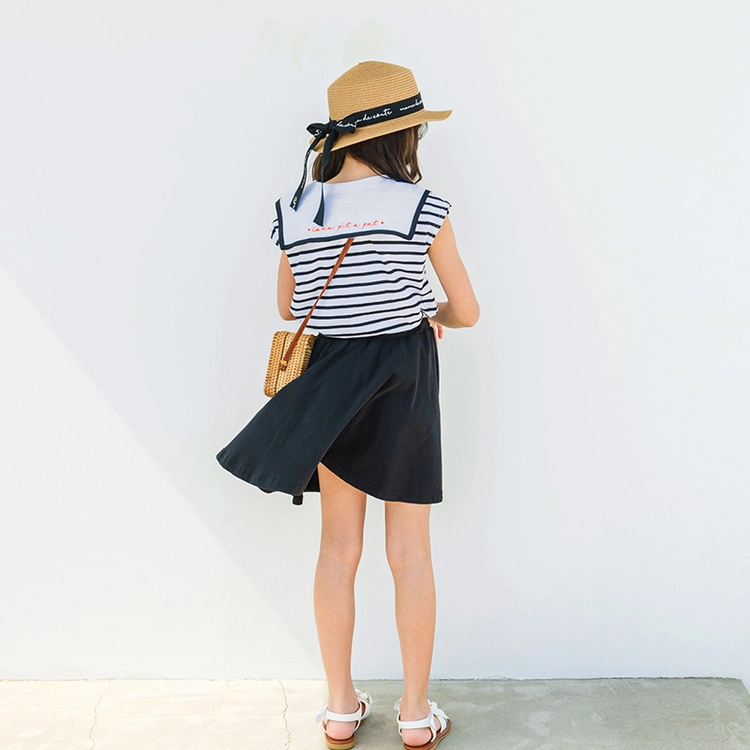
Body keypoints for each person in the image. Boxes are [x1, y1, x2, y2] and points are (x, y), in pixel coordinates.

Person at [216, 61, 479, 750]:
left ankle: (339, 709)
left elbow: (289, 306)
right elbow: (468, 310)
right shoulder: (421, 206)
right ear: (401, 135)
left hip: (331, 380)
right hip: (404, 379)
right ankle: (415, 715)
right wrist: (428, 312)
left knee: (338, 549)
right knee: (410, 554)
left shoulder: (299, 207)